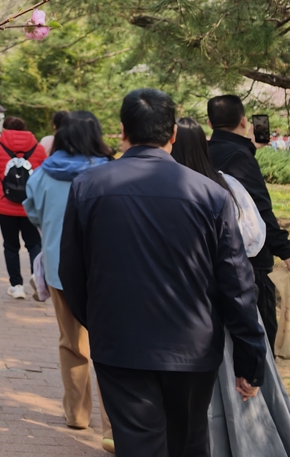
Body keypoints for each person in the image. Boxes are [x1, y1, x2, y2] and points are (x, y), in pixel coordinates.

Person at [61, 89, 266, 457]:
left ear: (122, 131)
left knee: (138, 443)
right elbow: (237, 283)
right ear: (173, 133)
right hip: (193, 346)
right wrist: (250, 357)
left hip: (120, 343)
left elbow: (71, 272)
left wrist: (97, 321)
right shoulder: (210, 194)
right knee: (188, 441)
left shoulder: (88, 187)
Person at [170, 117, 290, 457]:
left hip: (187, 311)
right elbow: (252, 240)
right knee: (241, 386)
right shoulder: (227, 187)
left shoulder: (173, 189)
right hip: (233, 300)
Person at [23, 111, 114, 450]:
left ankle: (77, 413)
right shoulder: (109, 171)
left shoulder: (43, 173)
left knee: (71, 342)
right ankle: (112, 425)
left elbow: (32, 213)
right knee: (109, 345)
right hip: (105, 270)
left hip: (61, 270)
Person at [207, 95, 290, 352]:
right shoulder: (240, 157)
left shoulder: (205, 152)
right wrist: (285, 251)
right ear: (244, 121)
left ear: (209, 122)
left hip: (211, 257)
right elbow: (260, 210)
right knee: (258, 335)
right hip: (249, 263)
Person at [0, 116, 47, 299]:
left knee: (11, 246)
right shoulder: (39, 148)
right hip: (31, 206)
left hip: (5, 206)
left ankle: (16, 285)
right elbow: (44, 178)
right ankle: (38, 277)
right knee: (34, 243)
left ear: (5, 129)